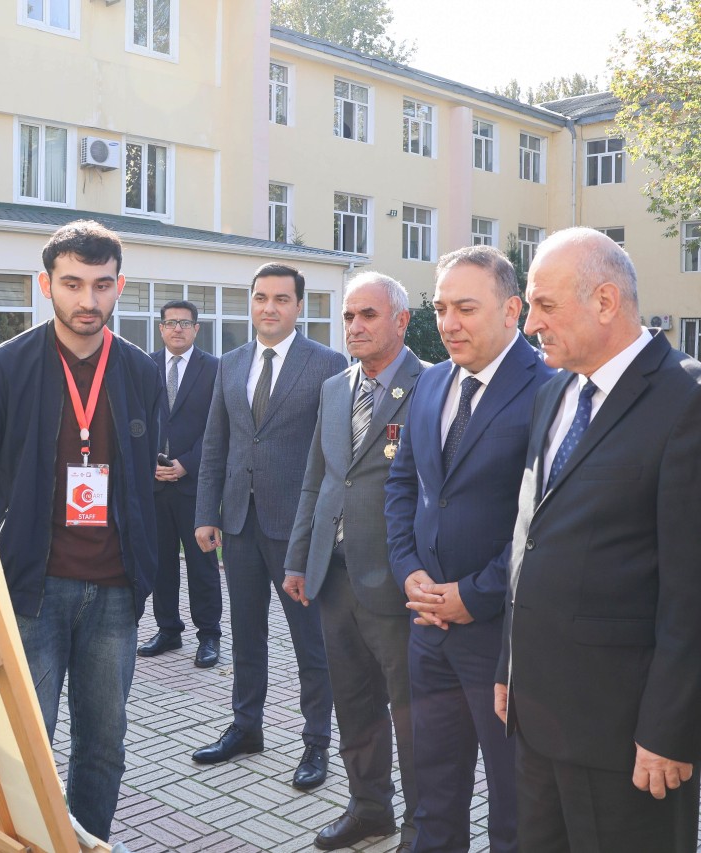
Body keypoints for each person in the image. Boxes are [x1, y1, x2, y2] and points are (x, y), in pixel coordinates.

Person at [495, 227, 701, 853]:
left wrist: (670, 728)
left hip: (626, 736)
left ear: (606, 301)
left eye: (546, 306)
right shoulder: (554, 391)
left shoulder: (698, 402)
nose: (531, 325)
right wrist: (509, 666)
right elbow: (530, 537)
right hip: (537, 718)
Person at [0, 219, 164, 843]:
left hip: (116, 592)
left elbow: (143, 486)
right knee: (24, 743)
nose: (87, 301)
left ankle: (85, 840)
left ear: (120, 286)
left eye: (101, 285)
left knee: (103, 741)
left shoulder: (141, 372)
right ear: (46, 286)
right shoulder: (5, 367)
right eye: (72, 284)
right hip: (30, 589)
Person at [384, 244, 553, 853]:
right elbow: (405, 485)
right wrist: (408, 572)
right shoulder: (430, 382)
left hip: (501, 640)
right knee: (433, 792)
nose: (448, 323)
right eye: (440, 308)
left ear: (512, 310)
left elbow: (545, 520)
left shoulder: (549, 389)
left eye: (465, 309)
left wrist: (475, 597)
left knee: (513, 802)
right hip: (427, 626)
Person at [283, 272, 423, 851]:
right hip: (334, 577)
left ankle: (424, 821)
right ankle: (369, 808)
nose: (355, 327)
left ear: (400, 321)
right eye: (348, 316)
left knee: (412, 711)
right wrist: (298, 559)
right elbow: (316, 479)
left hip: (396, 582)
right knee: (354, 702)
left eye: (368, 315)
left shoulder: (432, 385)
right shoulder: (336, 389)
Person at [193, 262, 346, 790]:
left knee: (311, 642)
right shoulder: (231, 363)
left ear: (299, 306)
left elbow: (334, 457)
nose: (270, 308)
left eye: (282, 299)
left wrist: (321, 528)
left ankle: (316, 745)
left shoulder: (328, 364)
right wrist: (205, 514)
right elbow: (217, 443)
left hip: (296, 529)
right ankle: (246, 727)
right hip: (237, 522)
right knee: (246, 634)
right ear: (251, 302)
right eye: (261, 298)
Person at [140, 299, 222, 667]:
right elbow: (135, 423)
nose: (177, 329)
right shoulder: (145, 367)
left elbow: (219, 429)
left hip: (195, 485)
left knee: (202, 564)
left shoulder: (215, 370)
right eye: (170, 322)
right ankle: (169, 630)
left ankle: (209, 636)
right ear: (161, 328)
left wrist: (186, 464)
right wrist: (150, 463)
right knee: (161, 564)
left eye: (185, 323)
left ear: (196, 329)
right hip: (154, 483)